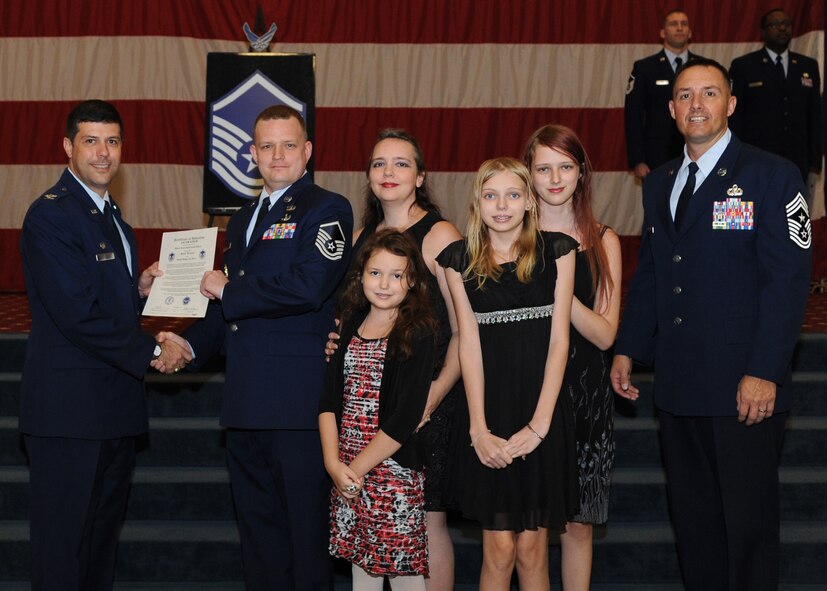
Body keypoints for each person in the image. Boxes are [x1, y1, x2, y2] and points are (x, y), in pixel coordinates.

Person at [610, 59, 811, 590]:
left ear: (731, 104)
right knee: (694, 524)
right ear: (672, 109)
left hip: (743, 385)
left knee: (747, 528)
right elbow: (654, 273)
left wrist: (766, 371)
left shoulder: (772, 175)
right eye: (684, 95)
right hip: (678, 384)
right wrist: (629, 348)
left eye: (709, 93)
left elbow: (787, 283)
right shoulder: (661, 184)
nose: (696, 104)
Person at [173, 105, 353, 590]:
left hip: (297, 404)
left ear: (307, 151)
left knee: (305, 540)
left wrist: (228, 291)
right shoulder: (242, 220)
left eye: (288, 144)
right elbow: (226, 307)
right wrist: (189, 347)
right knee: (259, 541)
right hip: (245, 402)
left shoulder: (328, 208)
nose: (277, 155)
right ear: (251, 154)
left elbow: (308, 286)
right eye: (267, 146)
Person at [18, 99, 191, 590]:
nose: (103, 153)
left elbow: (97, 301)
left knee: (97, 548)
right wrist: (154, 351)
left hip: (112, 410)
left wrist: (135, 291)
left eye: (112, 141)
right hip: (69, 416)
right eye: (91, 141)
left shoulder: (111, 216)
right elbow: (76, 316)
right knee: (63, 550)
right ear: (68, 147)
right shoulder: (50, 217)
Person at [327, 129, 462, 590]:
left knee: (427, 522)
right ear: (368, 175)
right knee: (368, 522)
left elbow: (466, 328)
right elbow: (354, 314)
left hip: (428, 399)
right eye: (379, 163)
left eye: (401, 163)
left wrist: (436, 392)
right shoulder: (362, 236)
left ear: (420, 176)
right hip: (367, 410)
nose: (389, 172)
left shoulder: (439, 233)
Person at [437, 157, 578, 590]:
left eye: (513, 194)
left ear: (529, 203)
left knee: (533, 551)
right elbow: (468, 344)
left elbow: (560, 342)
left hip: (542, 411)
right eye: (491, 195)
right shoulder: (457, 260)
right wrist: (478, 429)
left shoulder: (558, 250)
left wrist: (539, 425)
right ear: (477, 203)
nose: (502, 205)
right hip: (489, 411)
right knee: (498, 550)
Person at [524, 124, 622, 591]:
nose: (555, 177)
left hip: (585, 395)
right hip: (525, 390)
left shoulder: (603, 239)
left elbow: (604, 335)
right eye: (544, 167)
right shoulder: (510, 238)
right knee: (533, 530)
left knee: (579, 525)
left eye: (565, 166)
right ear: (529, 174)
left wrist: (560, 283)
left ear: (581, 173)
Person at [320, 229, 438, 591]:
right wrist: (333, 465)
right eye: (375, 273)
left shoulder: (418, 331)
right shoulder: (350, 325)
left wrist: (353, 471)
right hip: (347, 469)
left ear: (412, 281)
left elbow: (405, 417)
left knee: (403, 572)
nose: (384, 283)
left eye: (397, 274)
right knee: (363, 568)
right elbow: (327, 402)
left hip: (392, 471)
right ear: (360, 276)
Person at [729, 8, 822, 190]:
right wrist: (734, 156)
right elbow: (735, 116)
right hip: (755, 158)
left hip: (797, 159)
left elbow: (814, 114)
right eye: (775, 24)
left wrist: (815, 160)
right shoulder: (743, 65)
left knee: (792, 215)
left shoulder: (807, 65)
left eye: (786, 24)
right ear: (763, 32)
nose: (782, 28)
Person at [625, 10, 703, 179]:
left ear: (690, 33)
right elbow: (633, 116)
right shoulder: (645, 68)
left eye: (684, 24)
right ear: (662, 33)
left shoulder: (703, 67)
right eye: (673, 24)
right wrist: (638, 160)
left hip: (697, 150)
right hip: (656, 156)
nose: (679, 28)